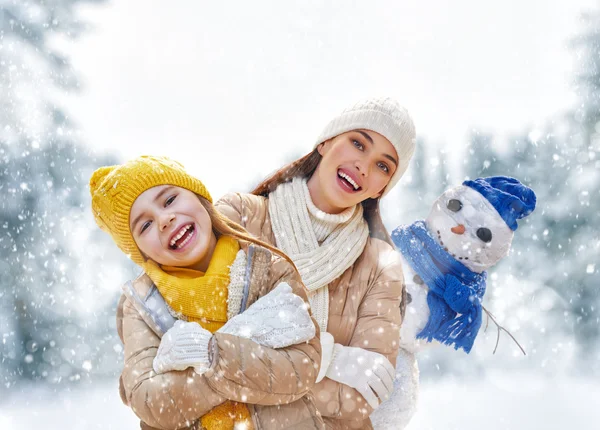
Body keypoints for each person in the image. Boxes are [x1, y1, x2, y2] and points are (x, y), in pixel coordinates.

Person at [215, 98, 416, 429]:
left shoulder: (380, 265)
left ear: (383, 188)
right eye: (358, 143)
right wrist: (327, 358)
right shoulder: (240, 217)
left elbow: (361, 398)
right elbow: (202, 341)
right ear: (325, 142)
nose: (364, 166)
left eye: (383, 166)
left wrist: (254, 357)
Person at [89, 155, 324, 430]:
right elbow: (148, 400)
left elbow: (300, 368)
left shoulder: (269, 271)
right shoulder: (142, 308)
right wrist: (238, 360)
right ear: (140, 252)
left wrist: (209, 355)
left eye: (169, 200)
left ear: (199, 196)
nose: (164, 219)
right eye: (145, 225)